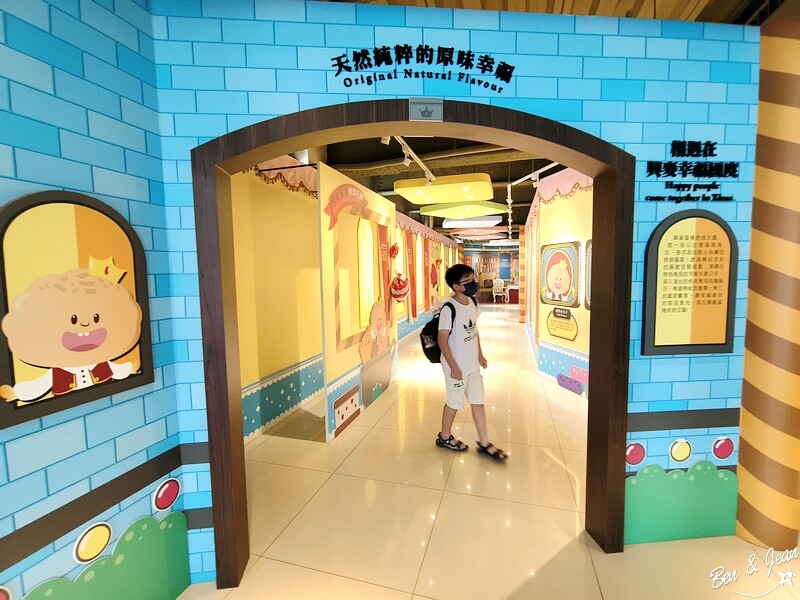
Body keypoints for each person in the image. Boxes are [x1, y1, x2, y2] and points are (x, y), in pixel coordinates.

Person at [435, 264, 508, 461]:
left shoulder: (473, 303)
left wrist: (480, 355)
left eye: (472, 278)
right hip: (455, 366)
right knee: (454, 403)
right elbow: (442, 340)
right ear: (456, 286)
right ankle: (444, 437)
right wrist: (454, 368)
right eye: (467, 281)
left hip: (472, 365)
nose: (473, 283)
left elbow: (474, 330)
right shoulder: (449, 308)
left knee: (478, 401)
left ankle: (484, 443)